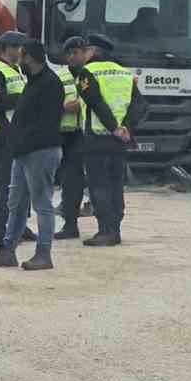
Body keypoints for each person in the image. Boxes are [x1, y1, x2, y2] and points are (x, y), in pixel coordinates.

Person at [0, 39, 64, 272]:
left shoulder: (48, 83)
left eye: (22, 55)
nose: (19, 59)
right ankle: (7, 251)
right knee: (15, 203)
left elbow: (43, 122)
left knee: (42, 204)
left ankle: (43, 253)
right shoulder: (13, 77)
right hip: (21, 150)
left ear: (31, 57)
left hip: (39, 151)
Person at [75, 32, 137, 247]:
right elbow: (140, 105)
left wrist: (113, 128)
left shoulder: (87, 72)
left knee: (99, 185)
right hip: (120, 141)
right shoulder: (125, 73)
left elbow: (94, 101)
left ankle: (106, 231)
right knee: (115, 184)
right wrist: (126, 128)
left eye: (84, 50)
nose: (82, 55)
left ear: (92, 51)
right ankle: (115, 229)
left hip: (98, 139)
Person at [0, 31, 31, 249]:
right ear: (6, 48)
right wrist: (25, 99)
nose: (22, 51)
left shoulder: (18, 70)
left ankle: (20, 226)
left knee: (23, 183)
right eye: (18, 46)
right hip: (4, 136)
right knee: (7, 185)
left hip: (19, 134)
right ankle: (0, 231)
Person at [54, 34, 88, 240]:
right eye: (71, 53)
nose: (74, 57)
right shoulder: (59, 76)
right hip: (64, 135)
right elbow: (48, 103)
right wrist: (63, 107)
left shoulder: (90, 74)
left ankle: (75, 224)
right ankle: (70, 224)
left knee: (81, 181)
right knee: (68, 181)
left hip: (86, 134)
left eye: (78, 52)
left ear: (85, 53)